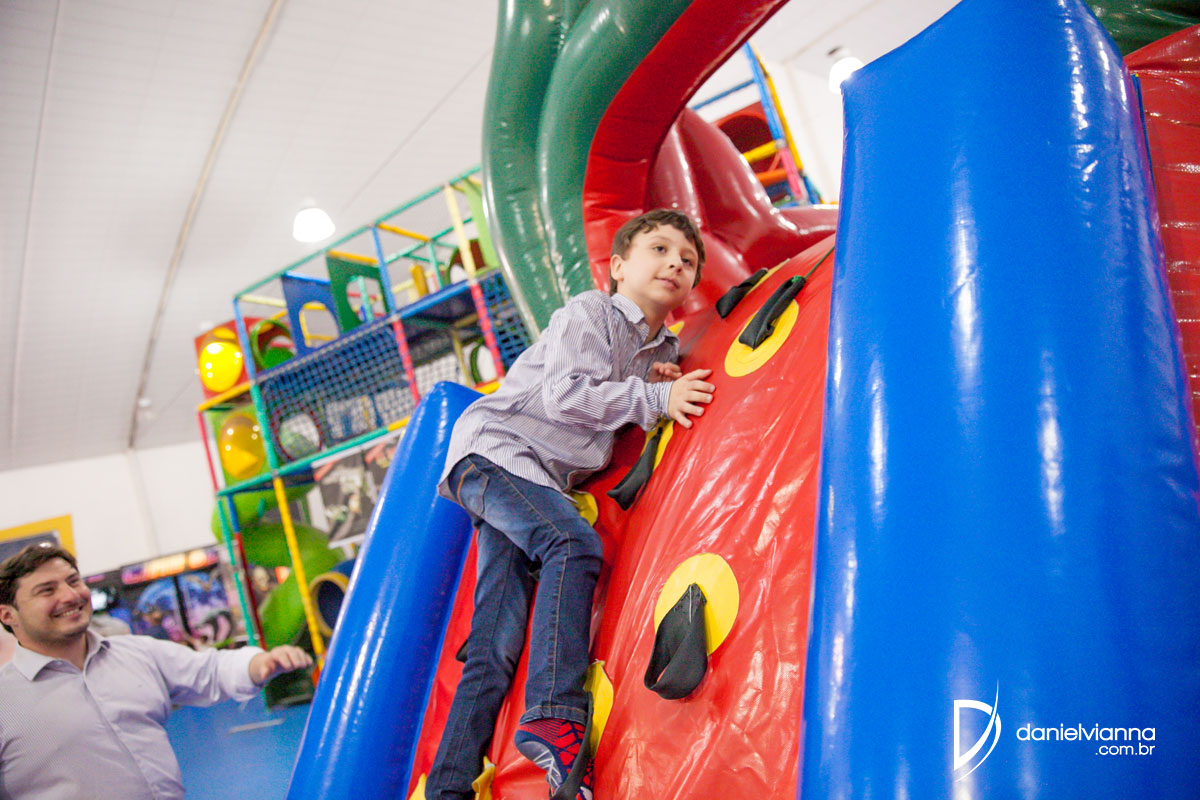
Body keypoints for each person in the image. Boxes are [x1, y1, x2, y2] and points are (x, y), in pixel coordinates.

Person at [426, 208, 715, 800]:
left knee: (493, 642)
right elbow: (565, 395)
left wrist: (656, 382)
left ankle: (447, 788)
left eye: (687, 260)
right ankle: (554, 712)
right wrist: (655, 397)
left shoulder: (661, 348)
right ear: (619, 266)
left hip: (534, 477)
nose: (675, 264)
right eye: (660, 250)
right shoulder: (590, 313)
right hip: (496, 450)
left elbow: (622, 403)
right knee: (571, 542)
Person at [0, 543, 312, 799]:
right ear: (8, 615)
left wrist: (258, 664)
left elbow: (210, 669)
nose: (69, 596)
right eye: (47, 590)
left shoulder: (136, 653)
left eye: (73, 581)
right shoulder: (6, 702)